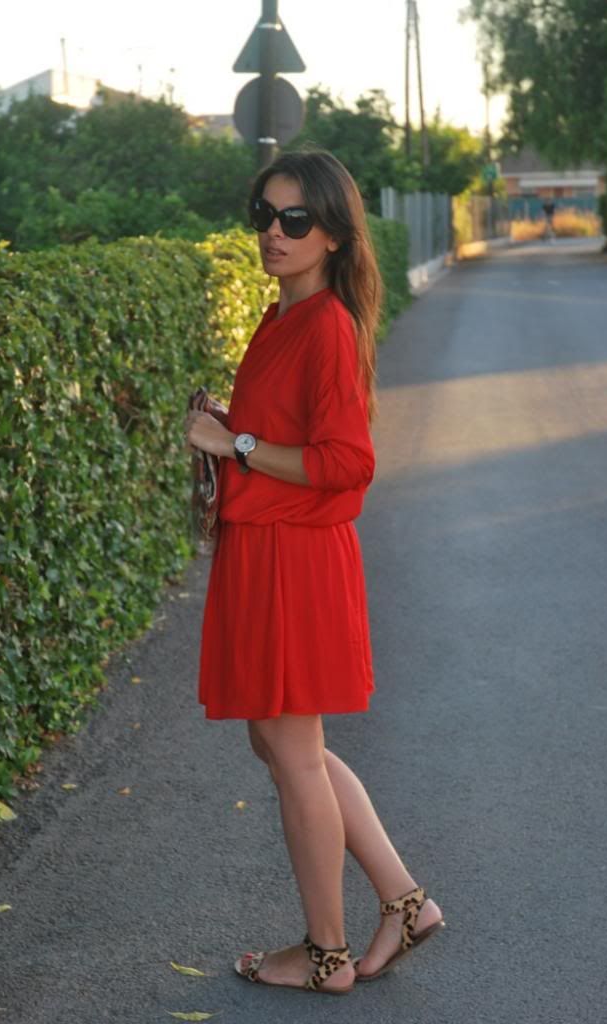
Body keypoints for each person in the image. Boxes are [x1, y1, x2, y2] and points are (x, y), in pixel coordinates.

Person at [185, 148, 444, 996]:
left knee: (293, 751)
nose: (273, 232)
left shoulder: (326, 325)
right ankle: (403, 901)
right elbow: (282, 441)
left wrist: (239, 444)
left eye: (294, 219)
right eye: (263, 213)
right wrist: (236, 427)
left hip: (293, 559)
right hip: (269, 551)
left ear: (332, 233)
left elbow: (345, 462)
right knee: (280, 740)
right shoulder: (281, 318)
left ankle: (326, 953)